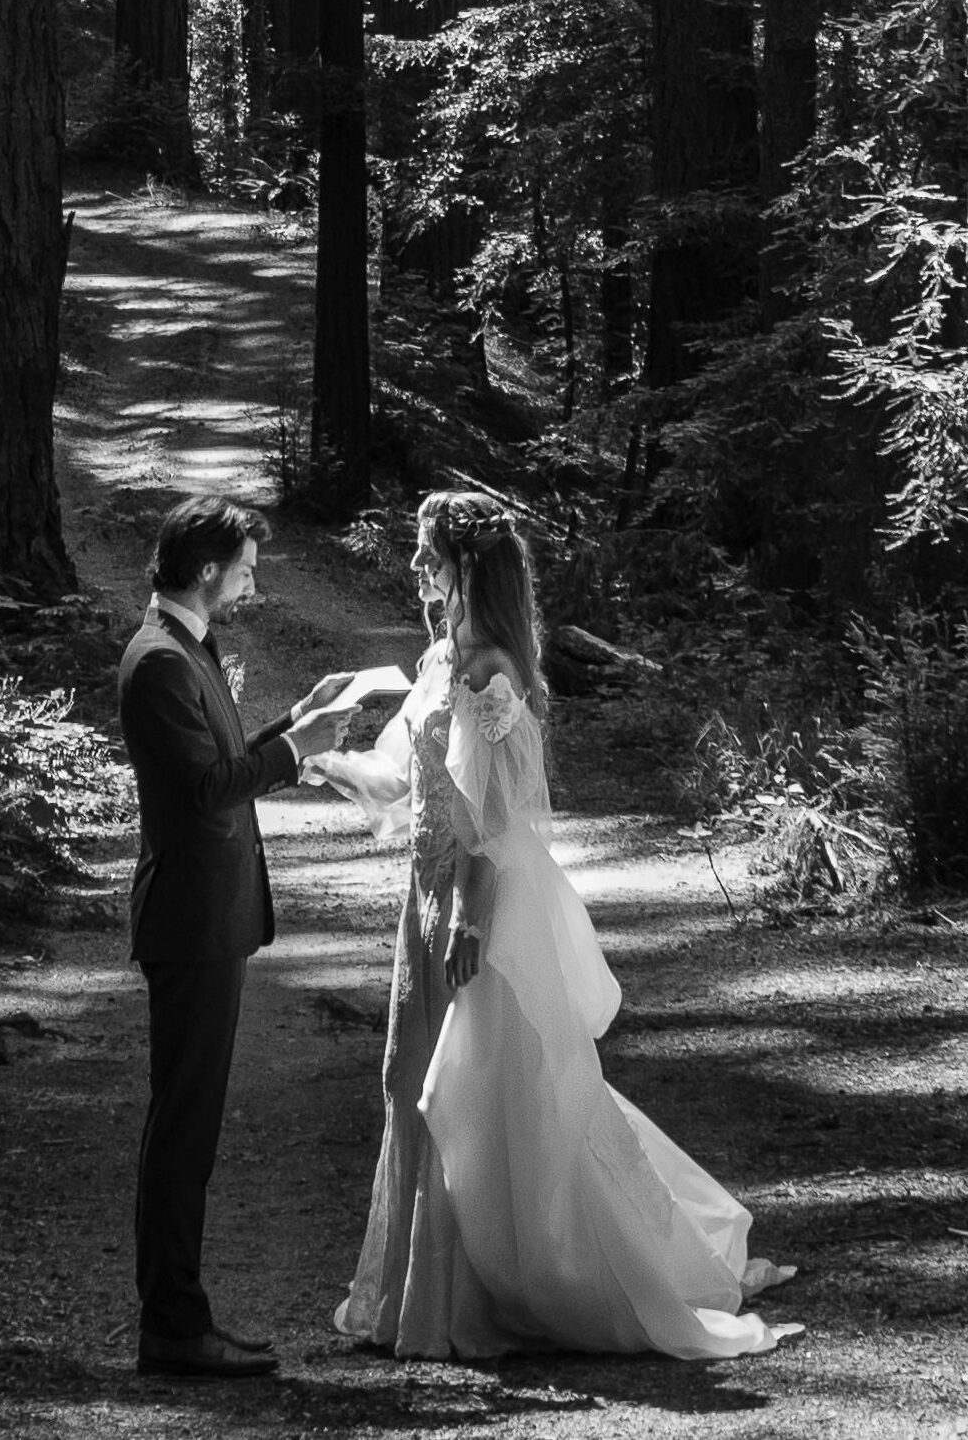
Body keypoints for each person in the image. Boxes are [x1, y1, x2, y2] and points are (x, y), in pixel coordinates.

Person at [312, 489, 802, 1360]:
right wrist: (321, 753)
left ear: (467, 567)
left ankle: (494, 1287)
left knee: (484, 1090)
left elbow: (498, 816)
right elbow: (402, 787)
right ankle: (417, 1290)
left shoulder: (489, 670)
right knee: (411, 1079)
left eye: (429, 554)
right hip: (423, 901)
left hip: (475, 907)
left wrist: (469, 912)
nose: (416, 567)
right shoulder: (434, 663)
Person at [113, 494, 387, 1379]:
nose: (254, 583)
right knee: (182, 1129)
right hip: (189, 921)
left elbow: (218, 762)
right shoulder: (158, 660)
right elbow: (203, 794)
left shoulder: (186, 647)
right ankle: (174, 1326)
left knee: (188, 1125)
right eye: (247, 569)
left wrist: (288, 727)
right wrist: (295, 750)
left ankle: (178, 1320)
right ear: (206, 571)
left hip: (206, 918)